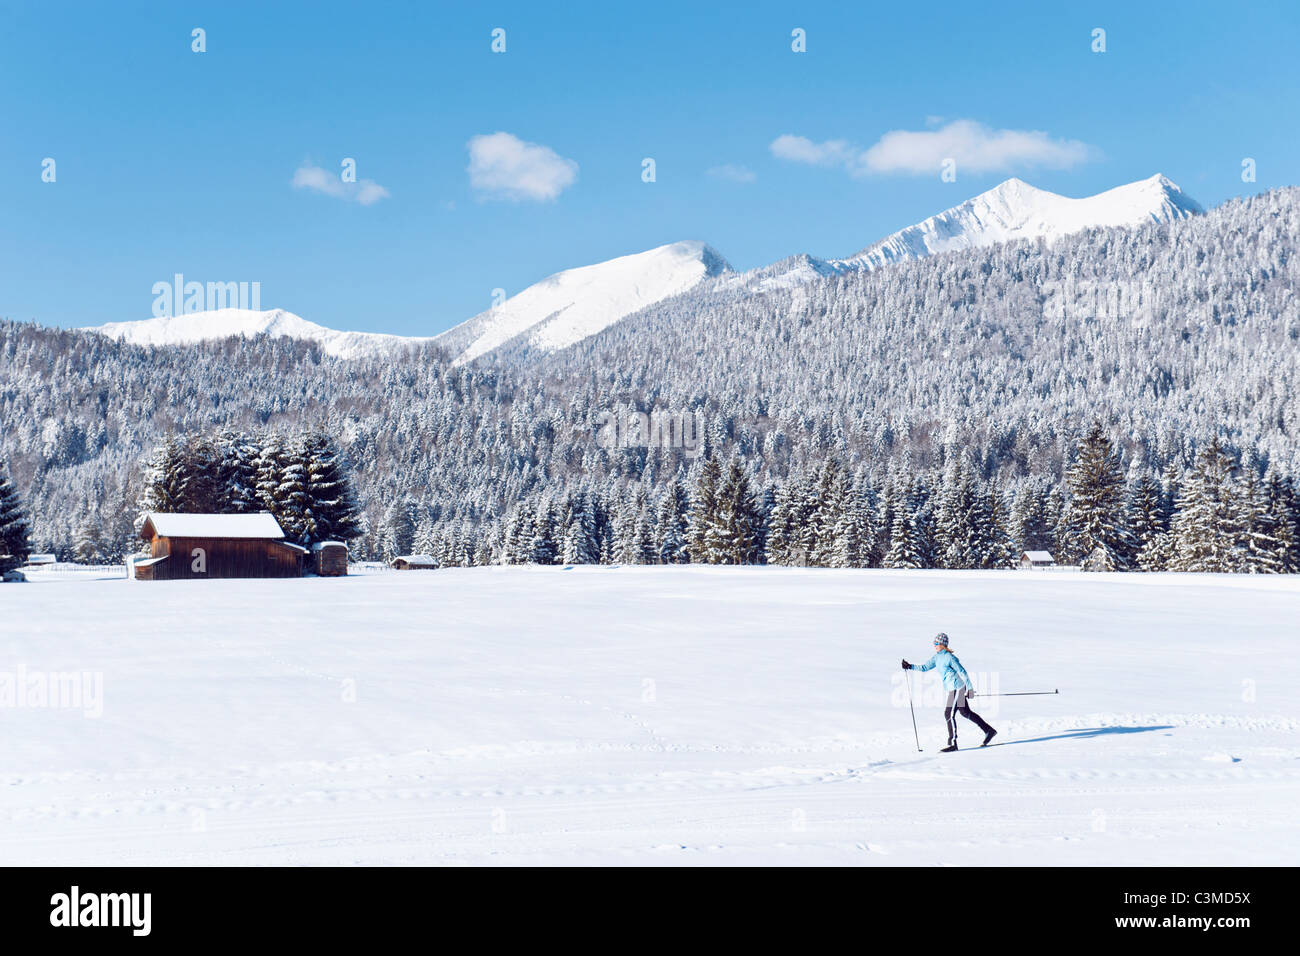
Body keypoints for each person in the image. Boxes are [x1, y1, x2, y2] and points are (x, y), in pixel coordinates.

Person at [902, 633, 997, 751]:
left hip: (957, 688)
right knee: (965, 713)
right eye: (934, 643)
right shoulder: (936, 658)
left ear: (942, 644)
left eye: (936, 643)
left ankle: (952, 743)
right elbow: (924, 668)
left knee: (948, 713)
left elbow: (962, 671)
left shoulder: (949, 657)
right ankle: (989, 731)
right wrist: (909, 666)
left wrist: (970, 688)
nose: (934, 645)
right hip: (953, 689)